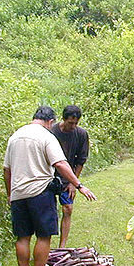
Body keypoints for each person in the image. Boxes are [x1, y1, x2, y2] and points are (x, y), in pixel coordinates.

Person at [3, 106, 97, 266]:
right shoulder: (47, 136)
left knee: (22, 237)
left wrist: (10, 194)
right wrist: (79, 185)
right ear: (51, 121)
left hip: (18, 194)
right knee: (44, 236)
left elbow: (6, 171)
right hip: (40, 193)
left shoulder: (15, 136)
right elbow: (60, 163)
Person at [50, 105, 90, 248]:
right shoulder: (51, 132)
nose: (73, 126)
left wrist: (74, 183)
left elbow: (81, 160)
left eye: (76, 123)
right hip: (48, 176)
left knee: (68, 208)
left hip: (68, 178)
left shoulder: (81, 134)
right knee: (49, 211)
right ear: (63, 119)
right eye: (70, 123)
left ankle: (62, 246)